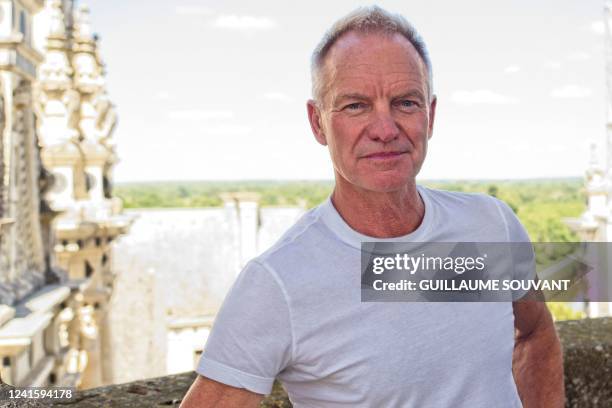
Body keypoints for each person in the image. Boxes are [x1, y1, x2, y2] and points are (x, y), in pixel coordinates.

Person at [180, 6, 564, 407]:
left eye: (405, 103)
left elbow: (536, 334)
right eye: (355, 106)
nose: (385, 130)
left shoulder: (491, 224)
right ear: (317, 123)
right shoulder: (277, 283)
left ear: (430, 116)